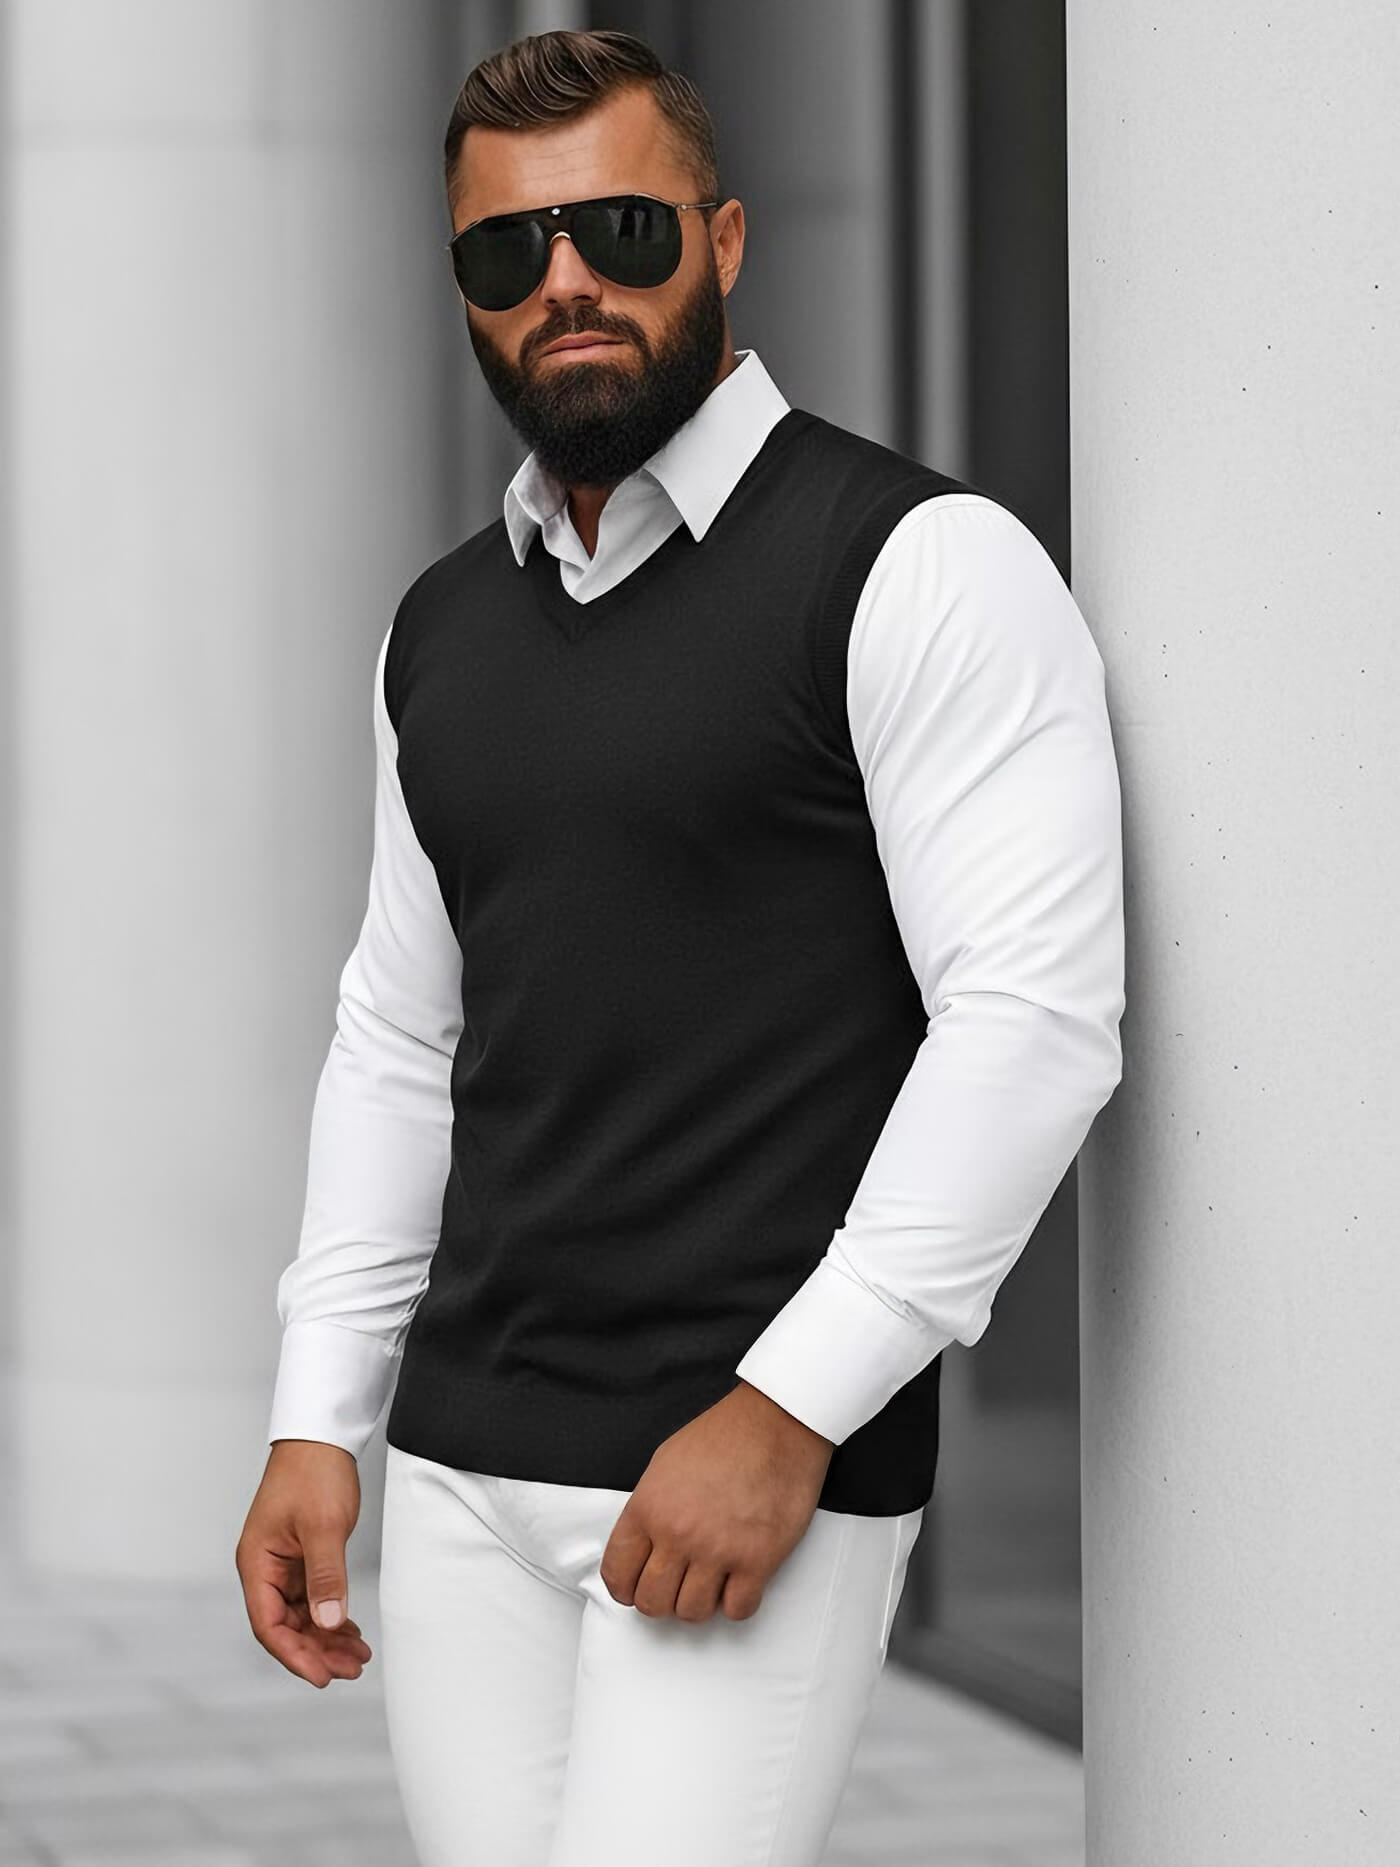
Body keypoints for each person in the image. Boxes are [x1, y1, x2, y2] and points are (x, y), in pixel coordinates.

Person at [236, 27, 1124, 1867]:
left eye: (621, 229)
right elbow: (401, 1039)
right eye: (510, 249)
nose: (565, 280)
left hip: (744, 1464)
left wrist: (791, 1413)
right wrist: (320, 1414)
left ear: (723, 240)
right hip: (465, 1470)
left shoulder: (920, 566)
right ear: (467, 289)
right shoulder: (436, 631)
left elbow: (1031, 1027)